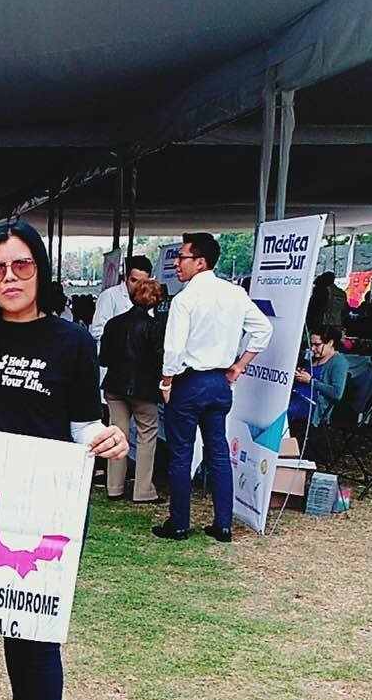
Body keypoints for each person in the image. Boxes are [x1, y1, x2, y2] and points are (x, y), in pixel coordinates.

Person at [0, 220, 128, 700]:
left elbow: (83, 423)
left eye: (22, 264)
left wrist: (107, 438)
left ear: (41, 268)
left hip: (47, 506)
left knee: (38, 629)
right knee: (12, 625)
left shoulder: (72, 341)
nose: (10, 277)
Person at [154, 232, 273, 543]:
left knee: (181, 453)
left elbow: (174, 349)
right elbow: (263, 329)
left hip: (189, 381)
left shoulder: (184, 299)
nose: (177, 264)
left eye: (182, 258)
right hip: (219, 382)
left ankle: (179, 523)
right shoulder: (235, 294)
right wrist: (240, 364)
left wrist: (166, 381)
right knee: (218, 451)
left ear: (200, 262)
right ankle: (223, 524)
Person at [99, 278, 165, 502]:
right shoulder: (155, 326)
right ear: (156, 301)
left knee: (117, 435)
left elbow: (103, 358)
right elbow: (161, 359)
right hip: (144, 390)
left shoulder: (113, 324)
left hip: (114, 386)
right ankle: (143, 490)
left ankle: (114, 487)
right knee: (147, 436)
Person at [288, 327, 349, 428]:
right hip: (295, 397)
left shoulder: (339, 362)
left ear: (330, 343)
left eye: (317, 345)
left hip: (311, 405)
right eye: (311, 345)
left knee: (285, 412)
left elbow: (337, 393)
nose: (313, 349)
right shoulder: (312, 358)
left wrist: (310, 381)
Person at [89, 254, 153, 344]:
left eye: (143, 282)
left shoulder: (149, 298)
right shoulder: (109, 295)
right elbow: (97, 330)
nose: (137, 286)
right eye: (134, 280)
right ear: (126, 278)